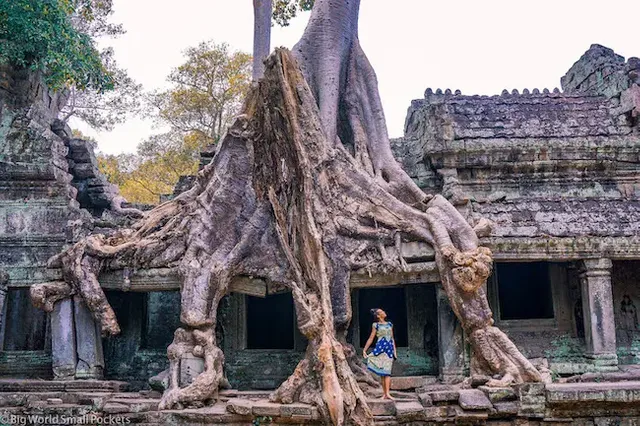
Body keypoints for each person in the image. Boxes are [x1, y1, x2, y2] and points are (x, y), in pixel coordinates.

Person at [362, 308, 397, 399]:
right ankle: (384, 393)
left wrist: (395, 351)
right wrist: (365, 350)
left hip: (389, 350)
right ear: (378, 316)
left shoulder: (390, 325)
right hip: (380, 349)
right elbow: (371, 338)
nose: (385, 312)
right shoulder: (376, 325)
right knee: (383, 372)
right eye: (382, 312)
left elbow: (392, 339)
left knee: (388, 372)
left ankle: (388, 393)